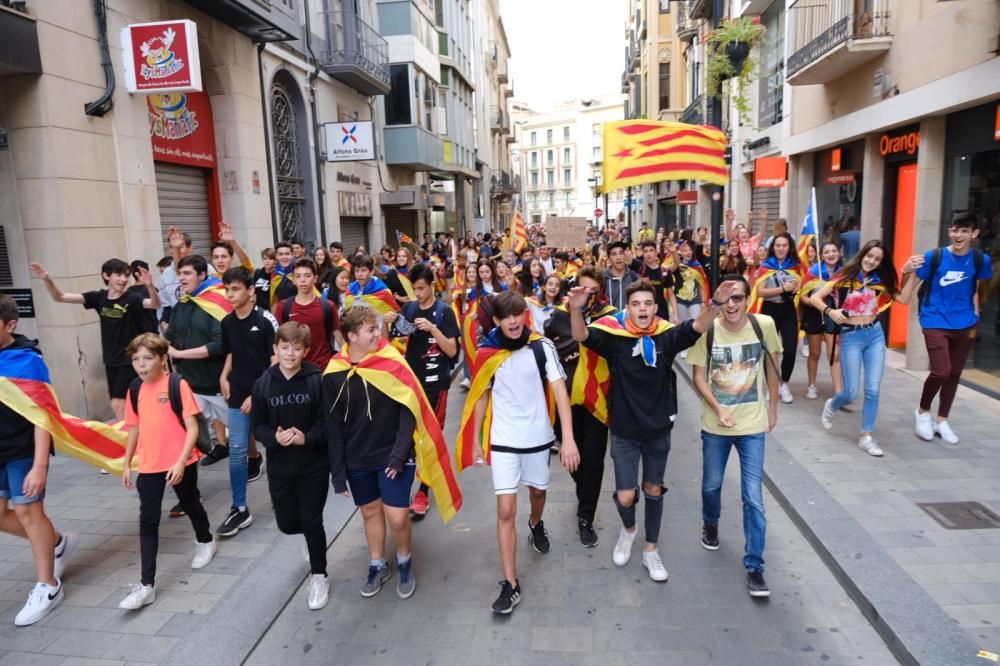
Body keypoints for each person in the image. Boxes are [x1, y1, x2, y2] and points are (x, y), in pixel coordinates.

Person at [568, 279, 722, 582]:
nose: (642, 309)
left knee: (653, 489)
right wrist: (575, 310)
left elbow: (698, 327)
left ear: (655, 308)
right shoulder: (616, 336)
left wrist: (715, 303)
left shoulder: (666, 335)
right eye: (636, 304)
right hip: (624, 431)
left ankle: (651, 549)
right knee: (626, 496)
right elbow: (582, 335)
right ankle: (629, 530)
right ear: (628, 308)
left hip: (658, 431)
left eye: (647, 304)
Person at [456, 291, 579, 614]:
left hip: (538, 437)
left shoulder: (542, 346)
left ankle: (536, 523)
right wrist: (475, 440)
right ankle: (511, 584)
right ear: (496, 321)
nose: (513, 321)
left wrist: (567, 438)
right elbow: (481, 394)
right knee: (505, 510)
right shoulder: (487, 352)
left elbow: (560, 393)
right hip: (504, 439)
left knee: (538, 492)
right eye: (506, 316)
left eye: (518, 314)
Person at [688, 275, 780, 598]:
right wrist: (717, 408)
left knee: (753, 496)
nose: (732, 304)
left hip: (752, 426)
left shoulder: (763, 325)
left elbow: (772, 365)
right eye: (726, 298)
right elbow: (698, 377)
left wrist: (772, 408)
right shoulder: (708, 330)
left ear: (747, 299)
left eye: (738, 297)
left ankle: (755, 565)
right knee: (712, 484)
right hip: (716, 425)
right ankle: (710, 522)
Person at [324, 309, 424, 600]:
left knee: (398, 517)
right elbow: (333, 426)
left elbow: (409, 410)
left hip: (394, 456)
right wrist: (338, 473)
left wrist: (398, 455)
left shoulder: (391, 361)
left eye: (376, 328)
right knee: (369, 512)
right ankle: (378, 564)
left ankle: (404, 562)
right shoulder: (333, 373)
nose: (377, 334)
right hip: (358, 459)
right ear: (351, 336)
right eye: (370, 330)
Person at [119, 333, 216, 610]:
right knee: (147, 521)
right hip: (149, 464)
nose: (141, 364)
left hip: (180, 461)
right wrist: (127, 463)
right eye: (136, 359)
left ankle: (206, 540)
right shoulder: (134, 388)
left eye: (148, 358)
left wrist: (180, 461)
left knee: (190, 502)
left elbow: (193, 427)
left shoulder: (177, 384)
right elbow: (134, 428)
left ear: (163, 359)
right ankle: (146, 585)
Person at [0, 294, 78, 626]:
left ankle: (48, 585)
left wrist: (40, 464)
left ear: (10, 325)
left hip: (22, 451)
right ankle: (56, 541)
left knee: (29, 513)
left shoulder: (27, 360)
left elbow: (43, 415)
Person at [810, 241, 920, 456]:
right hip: (851, 337)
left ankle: (866, 436)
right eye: (869, 256)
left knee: (873, 389)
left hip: (875, 336)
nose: (872, 261)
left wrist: (913, 274)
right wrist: (830, 312)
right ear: (862, 255)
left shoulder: (881, 280)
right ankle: (833, 404)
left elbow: (904, 299)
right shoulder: (845, 276)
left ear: (881, 262)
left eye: (877, 259)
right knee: (850, 392)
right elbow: (815, 297)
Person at [252, 322, 330, 610]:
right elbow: (257, 425)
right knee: (287, 523)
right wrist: (274, 437)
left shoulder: (316, 380)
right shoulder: (264, 383)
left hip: (314, 465)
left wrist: (305, 439)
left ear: (305, 351)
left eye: (296, 348)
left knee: (312, 520)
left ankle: (319, 575)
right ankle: (310, 540)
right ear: (275, 349)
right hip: (280, 466)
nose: (290, 353)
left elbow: (327, 425)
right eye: (285, 347)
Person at [29, 259, 159, 421]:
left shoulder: (132, 298)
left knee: (118, 403)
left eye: (126, 275)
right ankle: (136, 436)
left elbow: (154, 304)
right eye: (118, 275)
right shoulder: (98, 298)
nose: (124, 279)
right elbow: (60, 297)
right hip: (110, 359)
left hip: (130, 358)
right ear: (106, 276)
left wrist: (150, 286)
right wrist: (47, 279)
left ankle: (127, 440)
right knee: (121, 403)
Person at [543, 267, 618, 547]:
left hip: (598, 400)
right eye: (582, 290)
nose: (587, 296)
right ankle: (585, 491)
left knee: (594, 461)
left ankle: (586, 516)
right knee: (573, 458)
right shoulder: (558, 317)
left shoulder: (610, 317)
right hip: (564, 400)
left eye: (593, 291)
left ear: (600, 291)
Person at [908, 212, 993, 444]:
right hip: (934, 319)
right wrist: (906, 268)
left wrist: (975, 314)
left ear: (974, 234)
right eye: (955, 229)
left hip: (965, 322)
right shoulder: (933, 256)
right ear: (949, 231)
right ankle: (923, 412)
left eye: (964, 230)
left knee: (954, 373)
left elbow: (976, 286)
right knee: (942, 371)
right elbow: (911, 281)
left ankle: (942, 419)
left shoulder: (981, 260)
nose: (958, 235)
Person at [384, 264, 460, 517]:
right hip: (411, 384)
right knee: (407, 434)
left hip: (437, 384)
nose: (417, 293)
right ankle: (405, 484)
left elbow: (452, 351)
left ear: (431, 287)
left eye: (421, 288)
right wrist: (389, 322)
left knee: (431, 436)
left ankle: (423, 491)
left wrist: (433, 329)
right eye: (414, 288)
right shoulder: (409, 308)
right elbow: (389, 340)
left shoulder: (444, 312)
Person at [217, 267, 277, 536]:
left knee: (276, 448)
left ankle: (281, 495)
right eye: (227, 289)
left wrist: (258, 394)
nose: (230, 294)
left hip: (265, 397)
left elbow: (276, 362)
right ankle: (239, 508)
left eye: (236, 289)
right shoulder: (227, 322)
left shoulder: (265, 320)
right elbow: (231, 353)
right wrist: (223, 376)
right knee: (237, 452)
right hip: (237, 396)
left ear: (250, 290)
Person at [165, 256, 232, 471]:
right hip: (190, 386)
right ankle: (189, 492)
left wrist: (180, 353)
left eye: (187, 274)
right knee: (187, 437)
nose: (181, 278)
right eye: (180, 274)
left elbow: (219, 345)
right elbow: (171, 334)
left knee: (244, 433)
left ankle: (254, 457)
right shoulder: (182, 304)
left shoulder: (215, 302)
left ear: (202, 275)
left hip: (218, 386)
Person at [751, 233, 804, 404]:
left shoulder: (796, 266)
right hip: (770, 310)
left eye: (785, 245)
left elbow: (803, 285)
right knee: (770, 351)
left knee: (790, 349)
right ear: (773, 247)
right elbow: (760, 292)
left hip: (788, 310)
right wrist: (783, 288)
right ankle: (771, 385)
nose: (781, 248)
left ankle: (784, 384)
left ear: (790, 247)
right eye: (778, 245)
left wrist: (796, 289)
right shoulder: (766, 266)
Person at [275, 258, 339, 370]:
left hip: (322, 369)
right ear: (293, 280)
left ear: (315, 278)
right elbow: (277, 341)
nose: (303, 280)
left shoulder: (328, 306)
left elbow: (339, 338)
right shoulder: (283, 307)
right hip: (294, 370)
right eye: (298, 276)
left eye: (307, 276)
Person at [801, 243, 844, 400]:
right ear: (821, 255)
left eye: (834, 251)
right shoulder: (813, 273)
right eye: (827, 252)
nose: (831, 254)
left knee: (835, 354)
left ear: (839, 253)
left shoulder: (845, 273)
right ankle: (812, 385)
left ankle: (838, 392)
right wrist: (816, 303)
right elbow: (803, 297)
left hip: (834, 317)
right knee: (814, 353)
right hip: (814, 316)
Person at [631, 240, 677, 322]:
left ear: (656, 252)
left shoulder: (664, 271)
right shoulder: (639, 268)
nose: (648, 254)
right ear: (643, 253)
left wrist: (676, 314)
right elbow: (625, 256)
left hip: (662, 312)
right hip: (643, 312)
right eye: (645, 251)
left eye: (651, 250)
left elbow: (671, 295)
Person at [602, 241, 639, 311]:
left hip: (629, 320)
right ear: (609, 258)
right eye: (614, 254)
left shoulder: (633, 276)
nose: (618, 257)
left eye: (621, 253)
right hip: (609, 321)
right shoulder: (603, 278)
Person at [269, 242, 298, 312]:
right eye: (281, 254)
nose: (284, 257)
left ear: (292, 255)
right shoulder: (274, 275)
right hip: (282, 313)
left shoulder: (299, 272)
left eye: (287, 254)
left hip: (300, 312)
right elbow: (274, 300)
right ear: (276, 256)